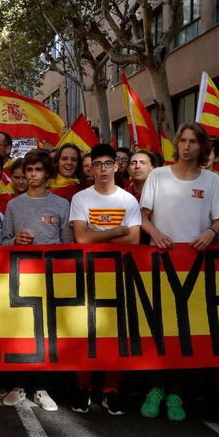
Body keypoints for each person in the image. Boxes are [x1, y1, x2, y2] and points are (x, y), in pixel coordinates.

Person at [139, 123, 219, 421]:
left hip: (195, 267)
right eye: (183, 141)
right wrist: (156, 234)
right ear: (176, 144)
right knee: (158, 325)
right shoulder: (158, 175)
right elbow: (143, 216)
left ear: (202, 147)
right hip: (160, 263)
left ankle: (175, 392)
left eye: (193, 141)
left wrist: (210, 233)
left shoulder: (212, 181)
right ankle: (155, 388)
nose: (186, 146)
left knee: (185, 329)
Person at [67, 144, 141, 416]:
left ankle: (111, 389)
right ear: (91, 169)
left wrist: (99, 235)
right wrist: (117, 231)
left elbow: (134, 240)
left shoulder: (128, 200)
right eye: (97, 164)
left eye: (108, 163)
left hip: (119, 274)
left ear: (117, 166)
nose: (103, 169)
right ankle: (83, 387)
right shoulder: (81, 198)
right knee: (84, 331)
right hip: (87, 272)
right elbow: (81, 238)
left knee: (117, 332)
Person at [0, 149, 72, 413]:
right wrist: (15, 241)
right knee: (21, 331)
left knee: (47, 333)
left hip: (51, 278)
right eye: (29, 170)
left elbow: (68, 244)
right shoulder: (14, 205)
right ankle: (18, 385)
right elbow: (4, 241)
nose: (32, 175)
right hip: (20, 277)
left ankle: (41, 388)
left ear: (48, 173)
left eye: (38, 170)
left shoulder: (62, 205)